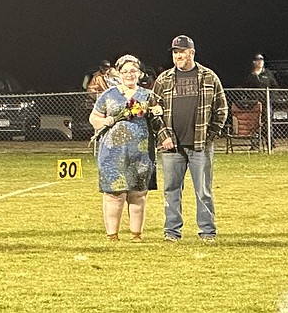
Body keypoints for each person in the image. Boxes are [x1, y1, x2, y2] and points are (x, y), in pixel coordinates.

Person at [151, 34, 228, 242]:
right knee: (171, 190)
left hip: (200, 146)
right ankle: (172, 232)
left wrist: (210, 135)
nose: (177, 56)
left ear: (191, 53)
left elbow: (221, 109)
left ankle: (207, 232)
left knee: (203, 191)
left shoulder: (209, 77)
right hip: (171, 147)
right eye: (175, 52)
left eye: (181, 52)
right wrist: (164, 136)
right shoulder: (164, 79)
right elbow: (153, 111)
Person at [89, 54, 163, 241]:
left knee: (138, 194)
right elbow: (94, 118)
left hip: (141, 153)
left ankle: (136, 235)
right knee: (114, 194)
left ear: (139, 73)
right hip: (112, 154)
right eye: (125, 71)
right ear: (118, 73)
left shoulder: (148, 96)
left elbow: (157, 124)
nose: (129, 74)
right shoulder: (108, 95)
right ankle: (112, 235)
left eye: (133, 71)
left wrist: (157, 113)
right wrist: (104, 120)